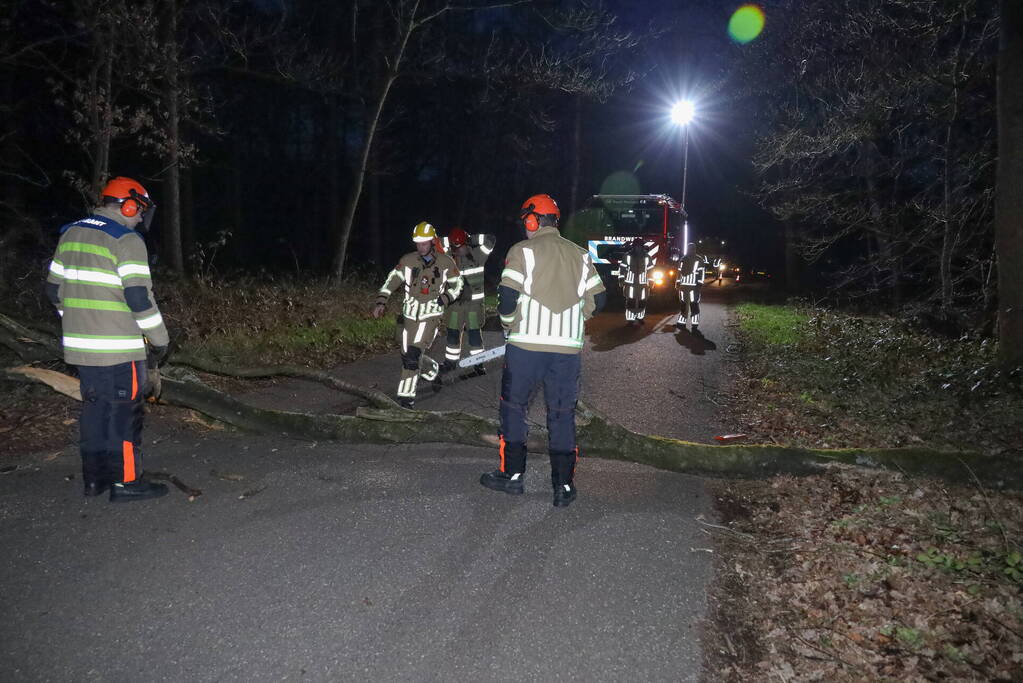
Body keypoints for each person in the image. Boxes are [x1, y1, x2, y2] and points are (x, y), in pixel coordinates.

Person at [45, 176, 170, 502]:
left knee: (95, 412)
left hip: (81, 349)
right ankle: (126, 483)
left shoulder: (71, 233)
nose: (141, 218)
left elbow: (53, 289)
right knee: (125, 415)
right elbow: (139, 299)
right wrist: (160, 339)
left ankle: (95, 481)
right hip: (118, 349)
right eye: (139, 211)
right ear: (128, 205)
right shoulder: (126, 241)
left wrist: (75, 320)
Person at [479, 194, 606, 508]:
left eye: (526, 220)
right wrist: (576, 318)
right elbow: (600, 300)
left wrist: (509, 325)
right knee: (562, 416)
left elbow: (507, 297)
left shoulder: (523, 251)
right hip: (567, 353)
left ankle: (511, 477)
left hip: (525, 348)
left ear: (532, 220)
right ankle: (563, 486)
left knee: (514, 410)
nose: (525, 226)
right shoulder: (581, 255)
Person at [373, 221, 463, 408]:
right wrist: (381, 301)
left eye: (424, 242)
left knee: (412, 357)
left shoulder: (446, 262)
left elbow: (458, 285)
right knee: (407, 354)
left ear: (432, 241)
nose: (420, 246)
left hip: (430, 316)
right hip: (409, 316)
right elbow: (392, 280)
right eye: (418, 243)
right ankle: (433, 370)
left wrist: (445, 298)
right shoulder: (407, 261)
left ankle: (405, 401)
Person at [440, 228, 496, 373]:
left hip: (474, 305)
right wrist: (451, 240)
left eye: (462, 246)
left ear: (467, 244)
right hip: (454, 305)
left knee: (474, 334)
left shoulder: (478, 255)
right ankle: (450, 362)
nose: (459, 250)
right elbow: (434, 244)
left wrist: (471, 238)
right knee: (452, 333)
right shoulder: (448, 258)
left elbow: (491, 239)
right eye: (456, 248)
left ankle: (478, 364)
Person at [618, 237, 653, 326]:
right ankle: (630, 319)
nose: (638, 248)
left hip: (643, 283)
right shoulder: (627, 256)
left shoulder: (647, 257)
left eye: (640, 246)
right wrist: (621, 279)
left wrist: (651, 281)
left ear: (642, 246)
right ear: (633, 246)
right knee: (631, 301)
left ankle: (640, 317)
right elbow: (622, 268)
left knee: (642, 301)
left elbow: (650, 270)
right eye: (636, 246)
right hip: (630, 283)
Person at [675, 243, 707, 335]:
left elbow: (702, 273)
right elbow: (679, 272)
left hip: (694, 287)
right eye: (689, 248)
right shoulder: (683, 259)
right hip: (684, 287)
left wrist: (700, 283)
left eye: (692, 248)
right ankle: (681, 323)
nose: (690, 250)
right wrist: (677, 282)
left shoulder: (699, 259)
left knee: (694, 305)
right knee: (683, 305)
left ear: (694, 249)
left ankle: (694, 325)